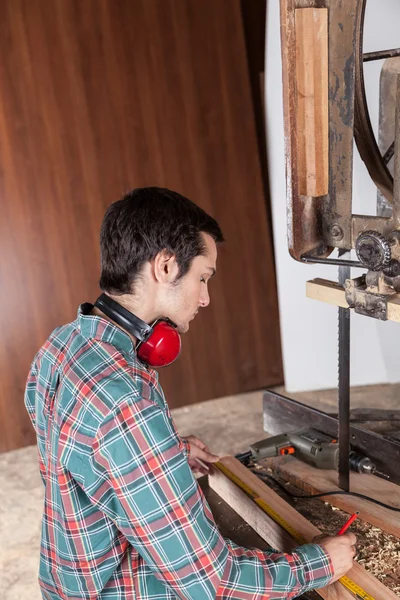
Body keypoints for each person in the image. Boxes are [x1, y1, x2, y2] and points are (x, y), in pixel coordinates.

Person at [25, 187, 356, 599]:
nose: (204, 298)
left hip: (66, 578)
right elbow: (212, 583)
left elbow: (78, 451)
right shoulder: (125, 403)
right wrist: (318, 564)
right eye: (202, 277)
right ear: (165, 266)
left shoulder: (62, 346)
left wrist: (161, 456)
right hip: (111, 588)